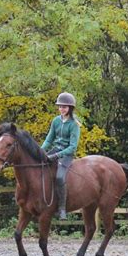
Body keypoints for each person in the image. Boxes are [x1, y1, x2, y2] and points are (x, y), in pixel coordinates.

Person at [41, 92, 81, 220]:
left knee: (59, 177)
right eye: (60, 106)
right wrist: (40, 151)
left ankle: (62, 208)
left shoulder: (74, 124)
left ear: (70, 108)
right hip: (55, 150)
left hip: (66, 154)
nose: (61, 109)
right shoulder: (56, 121)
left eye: (64, 107)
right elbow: (49, 139)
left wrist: (57, 155)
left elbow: (73, 147)